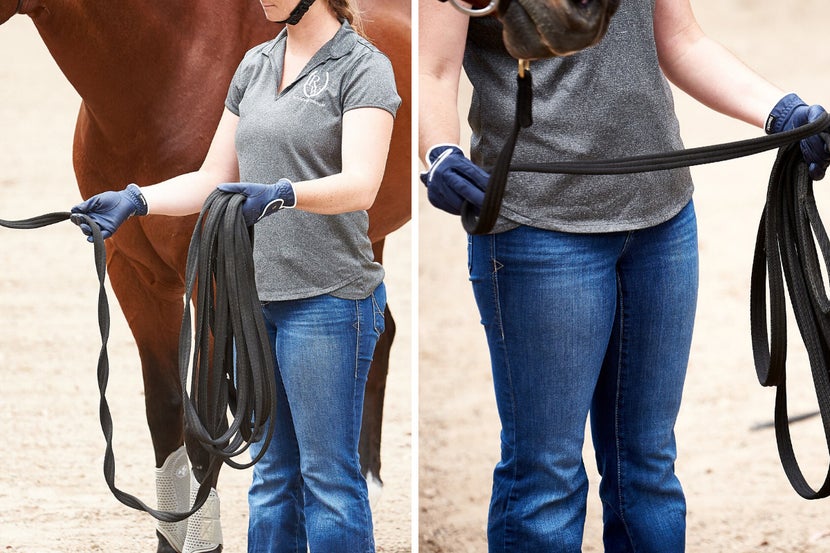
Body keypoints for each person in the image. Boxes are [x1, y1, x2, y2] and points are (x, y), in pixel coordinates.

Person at [419, 0, 830, 552]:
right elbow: (433, 67)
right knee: (546, 479)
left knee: (649, 467)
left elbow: (680, 39)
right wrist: (438, 151)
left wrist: (778, 110)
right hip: (541, 225)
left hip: (662, 219)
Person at [71, 0, 401, 551]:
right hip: (259, 303)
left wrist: (284, 194)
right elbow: (212, 178)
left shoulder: (362, 67)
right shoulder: (254, 66)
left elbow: (362, 185)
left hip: (330, 300)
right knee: (270, 484)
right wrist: (135, 200)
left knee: (330, 485)